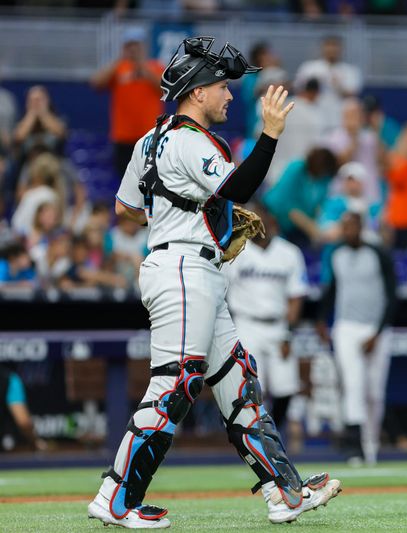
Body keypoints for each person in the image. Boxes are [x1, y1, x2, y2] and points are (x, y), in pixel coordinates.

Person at [90, 36, 340, 529]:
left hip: (189, 267)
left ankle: (284, 494)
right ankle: (117, 496)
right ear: (198, 92)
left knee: (237, 383)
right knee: (176, 383)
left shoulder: (151, 138)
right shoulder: (188, 138)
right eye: (222, 86)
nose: (229, 95)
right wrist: (270, 135)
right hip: (184, 272)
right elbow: (238, 188)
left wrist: (178, 218)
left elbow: (125, 209)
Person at [316, 211, 396, 466]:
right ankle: (355, 446)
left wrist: (378, 331)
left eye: (353, 226)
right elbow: (333, 289)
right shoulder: (337, 254)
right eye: (345, 227)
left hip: (375, 329)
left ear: (361, 227)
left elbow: (392, 295)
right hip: (346, 327)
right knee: (353, 385)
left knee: (374, 392)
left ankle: (370, 444)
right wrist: (320, 319)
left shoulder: (378, 253)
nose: (349, 231)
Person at [225, 205, 308, 431]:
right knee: (250, 385)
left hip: (278, 325)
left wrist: (288, 334)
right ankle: (253, 434)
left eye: (266, 223)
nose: (261, 228)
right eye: (256, 223)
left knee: (286, 386)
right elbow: (221, 291)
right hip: (246, 323)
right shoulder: (236, 250)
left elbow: (296, 296)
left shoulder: (289, 252)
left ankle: (273, 432)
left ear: (275, 224)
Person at [90, 27, 164, 179]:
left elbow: (165, 89)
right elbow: (96, 83)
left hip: (149, 137)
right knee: (125, 181)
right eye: (130, 45)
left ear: (144, 46)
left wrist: (142, 66)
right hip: (123, 136)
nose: (133, 49)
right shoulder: (119, 68)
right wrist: (119, 60)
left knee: (150, 181)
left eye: (136, 45)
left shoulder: (156, 66)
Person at [263, 147, 339, 244]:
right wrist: (314, 230)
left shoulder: (325, 179)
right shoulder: (297, 168)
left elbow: (320, 206)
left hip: (297, 228)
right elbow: (285, 205)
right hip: (274, 218)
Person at [295, 35, 362, 131]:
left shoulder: (350, 70)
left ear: (341, 49)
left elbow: (353, 94)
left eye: (335, 46)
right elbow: (299, 91)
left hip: (339, 120)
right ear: (322, 47)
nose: (331, 49)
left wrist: (338, 85)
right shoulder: (309, 68)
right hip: (313, 117)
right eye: (328, 45)